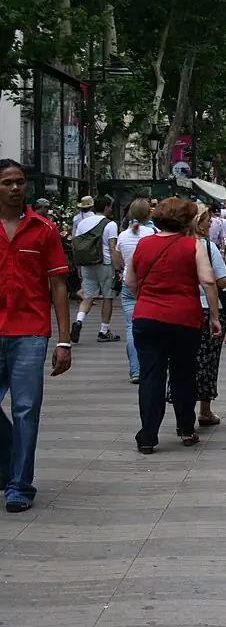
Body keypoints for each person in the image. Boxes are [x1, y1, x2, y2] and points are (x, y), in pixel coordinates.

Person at [0, 159, 73, 512]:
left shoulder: (43, 230)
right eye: (7, 183)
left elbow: (58, 285)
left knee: (27, 409)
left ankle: (19, 486)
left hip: (30, 332)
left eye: (20, 182)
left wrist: (63, 339)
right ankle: (7, 465)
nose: (15, 188)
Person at [126, 198, 220, 453]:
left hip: (146, 318)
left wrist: (145, 300)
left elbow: (130, 281)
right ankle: (186, 429)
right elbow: (208, 282)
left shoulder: (143, 244)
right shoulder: (194, 246)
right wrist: (214, 316)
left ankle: (147, 437)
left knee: (150, 377)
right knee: (183, 375)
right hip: (183, 320)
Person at [168, 203, 226, 428]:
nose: (210, 221)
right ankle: (204, 409)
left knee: (182, 362)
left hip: (178, 311)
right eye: (207, 218)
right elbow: (222, 281)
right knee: (208, 362)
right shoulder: (206, 246)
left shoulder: (173, 245)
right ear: (198, 221)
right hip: (205, 308)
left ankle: (182, 412)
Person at [113, 199, 157, 384]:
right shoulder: (152, 234)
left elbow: (118, 262)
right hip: (150, 285)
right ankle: (151, 365)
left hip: (128, 285)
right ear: (149, 214)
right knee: (153, 326)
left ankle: (135, 370)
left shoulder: (122, 235)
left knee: (132, 327)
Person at [71, 196, 120, 343]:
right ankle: (103, 331)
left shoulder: (82, 223)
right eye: (110, 206)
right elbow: (112, 248)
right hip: (104, 263)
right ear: (105, 207)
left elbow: (77, 246)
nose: (111, 209)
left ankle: (79, 321)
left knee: (87, 296)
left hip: (87, 263)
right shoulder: (110, 225)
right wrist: (117, 268)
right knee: (108, 297)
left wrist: (79, 266)